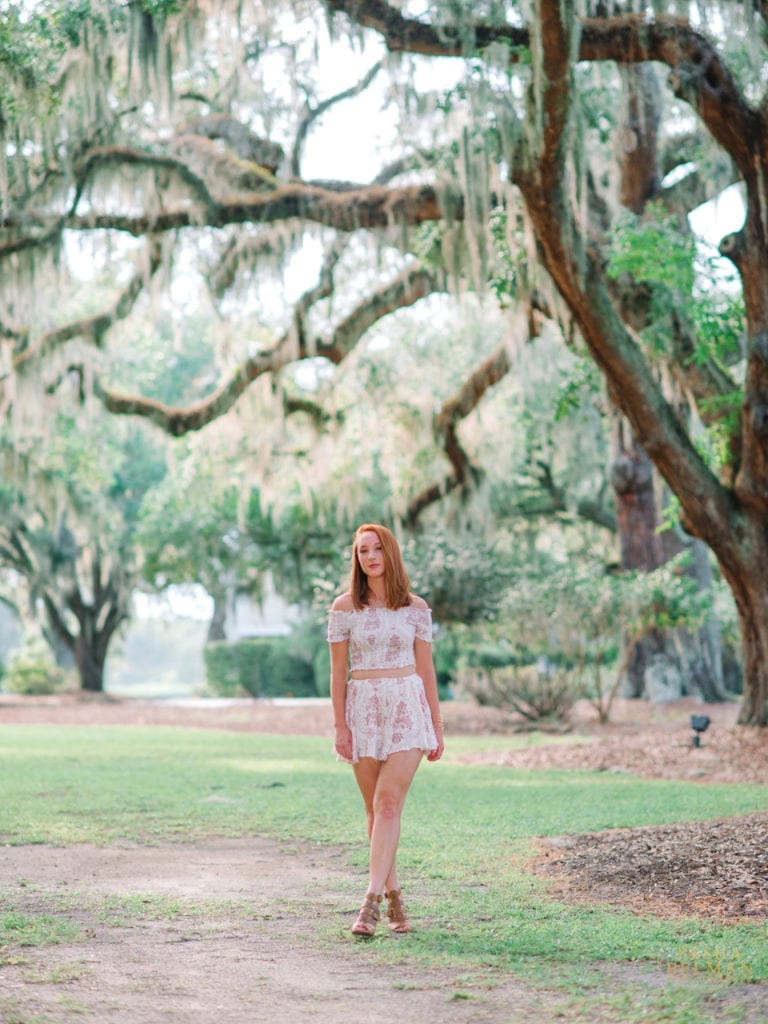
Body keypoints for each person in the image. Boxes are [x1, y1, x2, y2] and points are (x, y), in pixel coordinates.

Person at [327, 523, 444, 938]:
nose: (370, 557)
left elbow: (426, 668)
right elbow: (338, 671)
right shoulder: (344, 608)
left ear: (390, 553)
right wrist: (341, 725)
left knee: (389, 803)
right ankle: (395, 898)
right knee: (374, 811)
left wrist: (436, 723)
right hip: (363, 710)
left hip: (407, 707)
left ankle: (369, 903)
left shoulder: (415, 607)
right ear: (356, 559)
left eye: (377, 549)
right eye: (362, 551)